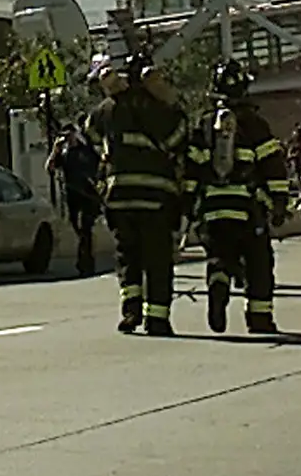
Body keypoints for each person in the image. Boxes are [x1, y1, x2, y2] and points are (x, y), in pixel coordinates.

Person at [182, 60, 282, 336]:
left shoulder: (203, 125)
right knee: (258, 261)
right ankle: (259, 318)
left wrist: (189, 204)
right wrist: (280, 202)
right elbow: (273, 166)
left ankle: (218, 285)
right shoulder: (255, 125)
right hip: (249, 207)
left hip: (213, 209)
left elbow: (192, 167)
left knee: (219, 257)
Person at [90, 52, 185, 335]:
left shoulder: (107, 109)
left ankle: (131, 311)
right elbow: (178, 139)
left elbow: (91, 134)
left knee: (127, 256)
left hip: (118, 195)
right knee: (157, 258)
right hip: (155, 197)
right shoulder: (159, 110)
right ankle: (157, 318)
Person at [47, 121, 105, 277]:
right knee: (79, 230)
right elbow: (50, 168)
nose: (68, 139)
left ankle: (85, 263)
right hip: (72, 196)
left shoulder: (86, 151)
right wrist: (55, 149)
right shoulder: (64, 153)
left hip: (88, 195)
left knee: (85, 227)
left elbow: (100, 167)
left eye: (70, 135)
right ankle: (86, 259)